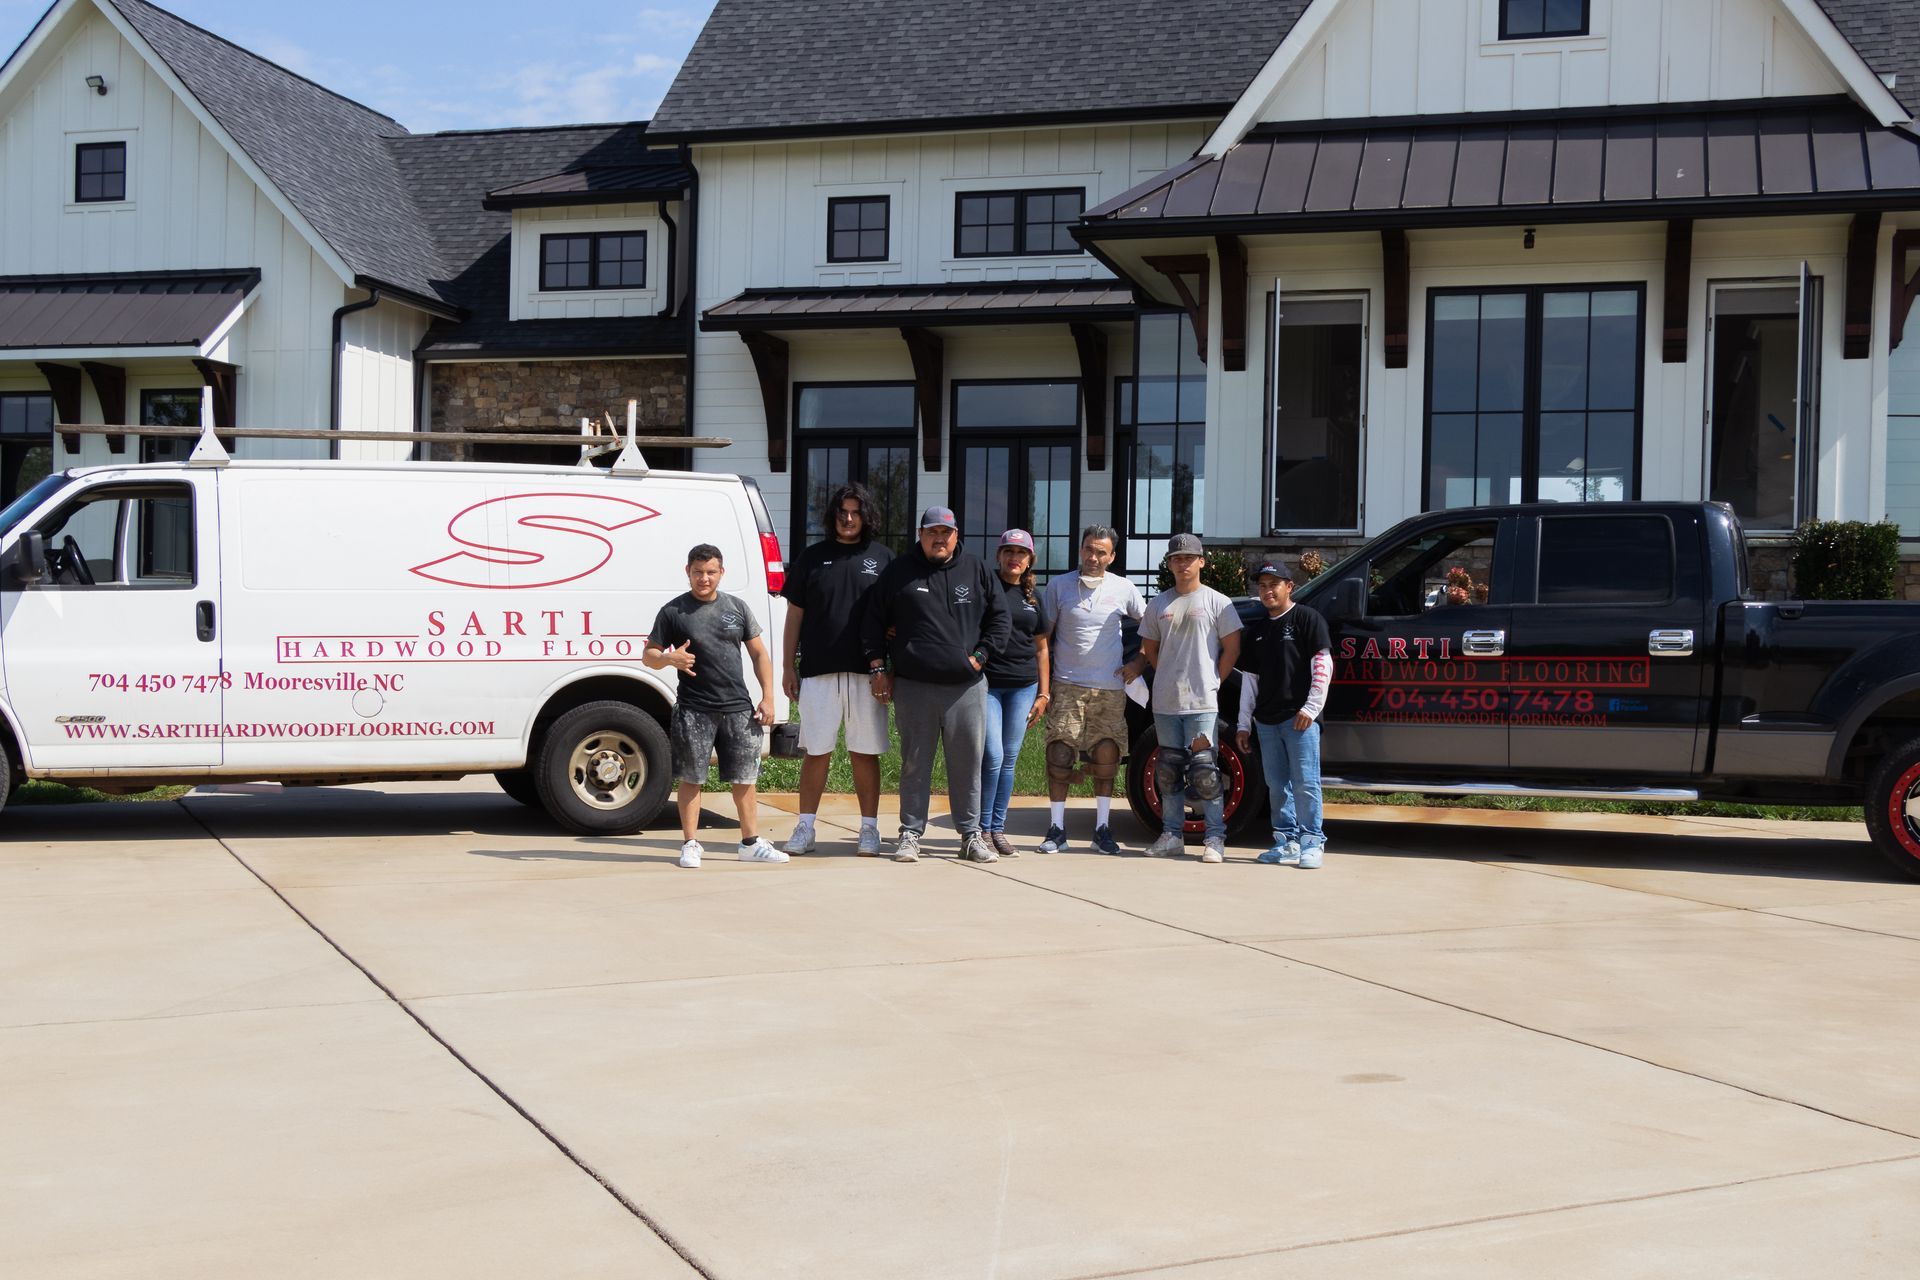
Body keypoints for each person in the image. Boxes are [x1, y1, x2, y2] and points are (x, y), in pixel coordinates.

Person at [862, 506, 1011, 864]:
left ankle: (971, 836)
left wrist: (981, 656)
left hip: (966, 687)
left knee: (967, 764)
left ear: (956, 535)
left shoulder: (976, 570)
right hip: (914, 685)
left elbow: (1000, 618)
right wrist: (878, 667)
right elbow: (873, 619)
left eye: (946, 532)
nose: (939, 539)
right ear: (921, 534)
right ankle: (910, 834)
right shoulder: (899, 571)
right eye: (932, 532)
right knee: (915, 763)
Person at [644, 543, 787, 869]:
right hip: (694, 709)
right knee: (692, 778)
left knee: (745, 779)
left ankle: (750, 843)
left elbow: (759, 654)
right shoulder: (673, 611)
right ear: (688, 572)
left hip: (738, 708)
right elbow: (648, 656)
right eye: (698, 572)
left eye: (710, 572)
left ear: (721, 572)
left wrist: (768, 697)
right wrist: (670, 658)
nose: (704, 578)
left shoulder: (737, 607)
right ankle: (690, 844)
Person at [778, 483, 893, 856]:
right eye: (842, 512)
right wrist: (788, 666)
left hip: (867, 673)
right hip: (818, 671)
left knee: (865, 752)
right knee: (816, 751)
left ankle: (869, 830)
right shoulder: (812, 558)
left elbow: (896, 616)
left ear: (866, 517)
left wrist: (889, 667)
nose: (848, 518)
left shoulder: (883, 558)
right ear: (833, 516)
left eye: (856, 512)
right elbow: (794, 616)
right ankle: (805, 828)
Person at [1039, 525, 1146, 855]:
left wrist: (1139, 663)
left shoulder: (1124, 588)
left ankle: (1102, 829)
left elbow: (1152, 627)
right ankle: (1056, 829)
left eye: (1101, 552)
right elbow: (1043, 639)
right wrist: (1044, 687)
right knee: (1059, 754)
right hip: (1067, 686)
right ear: (1080, 550)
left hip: (1109, 688)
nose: (1094, 557)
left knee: (1106, 756)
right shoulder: (1058, 586)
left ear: (1111, 556)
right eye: (1089, 549)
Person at [1136, 533, 1242, 863]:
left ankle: (1215, 837)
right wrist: (1169, 674)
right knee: (1167, 769)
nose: (1182, 563)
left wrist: (1213, 680)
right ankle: (1171, 835)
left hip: (1201, 702)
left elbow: (1232, 648)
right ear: (1169, 564)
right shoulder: (1158, 604)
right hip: (1166, 700)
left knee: (1205, 771)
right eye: (1176, 558)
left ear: (1201, 562)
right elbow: (1150, 648)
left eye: (1188, 558)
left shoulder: (1217, 602)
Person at [1235, 561, 1332, 869]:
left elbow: (1323, 664)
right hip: (1266, 721)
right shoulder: (1257, 631)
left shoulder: (1307, 618)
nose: (1268, 591)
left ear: (1289, 587)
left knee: (1305, 783)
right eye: (1262, 586)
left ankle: (1312, 841)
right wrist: (1243, 725)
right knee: (1277, 786)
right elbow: (1250, 681)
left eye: (1274, 584)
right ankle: (1286, 842)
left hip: (1300, 719)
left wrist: (1311, 708)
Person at [979, 529, 1052, 859]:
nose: (1014, 558)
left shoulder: (1034, 597)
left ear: (1029, 560)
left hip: (1024, 687)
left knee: (1009, 760)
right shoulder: (986, 589)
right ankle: (981, 829)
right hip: (989, 685)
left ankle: (997, 829)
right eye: (1008, 551)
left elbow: (1042, 648)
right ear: (999, 555)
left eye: (1021, 553)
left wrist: (1044, 694)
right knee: (993, 756)